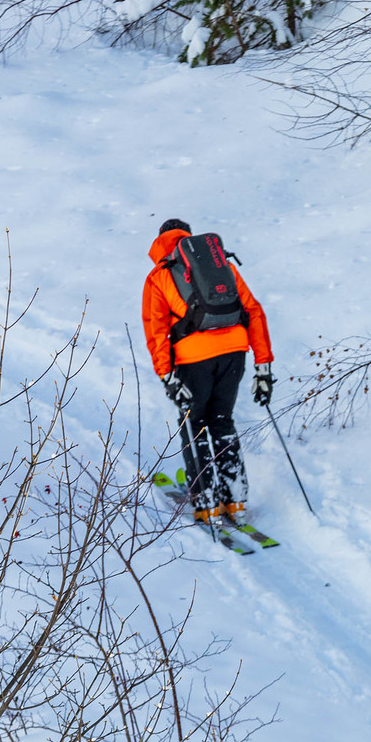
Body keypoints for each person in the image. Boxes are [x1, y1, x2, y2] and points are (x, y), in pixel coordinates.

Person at [141, 220, 275, 526]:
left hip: (192, 360)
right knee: (222, 420)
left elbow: (156, 331)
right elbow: (253, 310)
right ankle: (236, 501)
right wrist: (263, 366)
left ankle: (207, 505)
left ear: (160, 240)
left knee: (194, 424)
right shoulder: (220, 265)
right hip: (234, 354)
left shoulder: (159, 276)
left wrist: (167, 376)